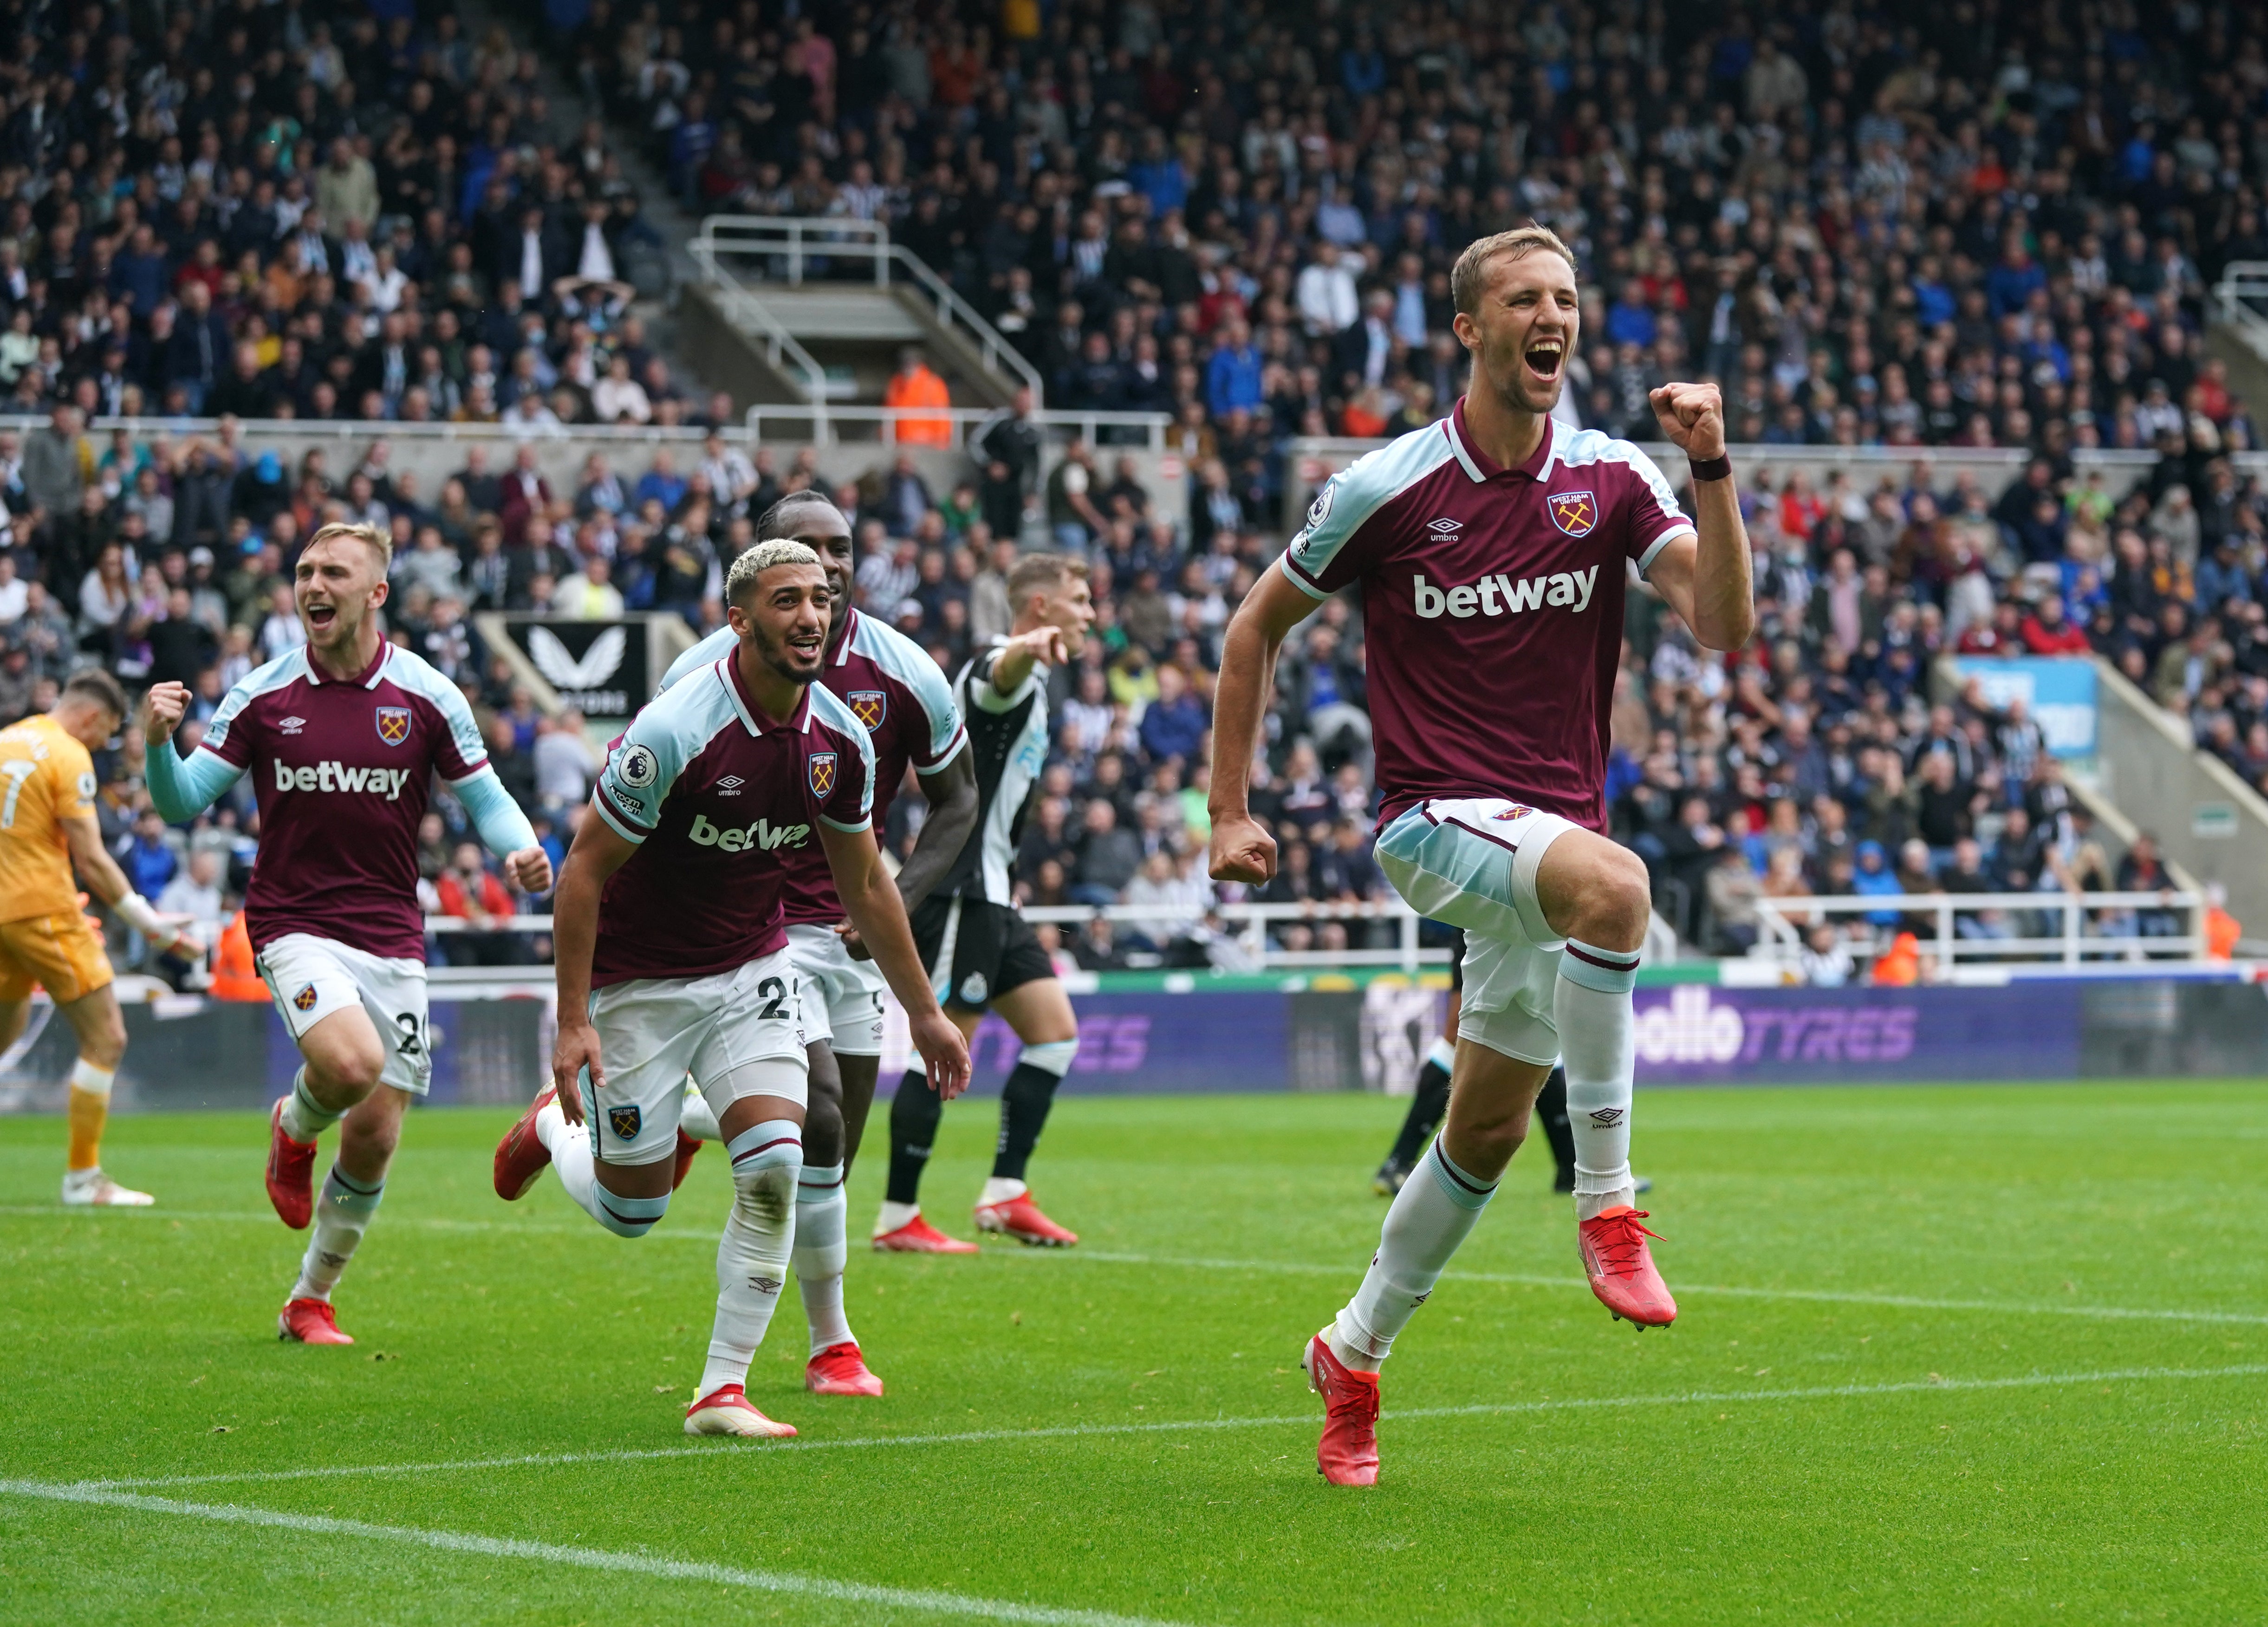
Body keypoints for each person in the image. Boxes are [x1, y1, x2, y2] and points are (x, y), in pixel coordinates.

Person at [1208, 226, 1755, 1485]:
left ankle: (1351, 1354)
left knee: (1485, 1136)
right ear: (1469, 328)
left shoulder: (1612, 477)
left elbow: (1723, 624)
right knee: (1619, 888)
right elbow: (1254, 630)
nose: (1548, 316)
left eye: (1565, 297)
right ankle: (1610, 1203)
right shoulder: (1387, 487)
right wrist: (1226, 811)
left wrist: (1712, 465)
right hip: (1434, 823)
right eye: (1522, 298)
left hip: (1541, 844)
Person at [489, 540, 970, 1438]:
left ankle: (721, 1388)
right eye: (786, 599)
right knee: (633, 1211)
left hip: (755, 966)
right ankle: (554, 1125)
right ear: (739, 618)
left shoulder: (842, 737)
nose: (811, 616)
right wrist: (570, 1023)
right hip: (640, 985)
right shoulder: (677, 727)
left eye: (822, 599)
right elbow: (583, 874)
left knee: (778, 1164)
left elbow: (866, 882)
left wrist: (927, 1011)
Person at [143, 522, 554, 1346]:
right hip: (294, 918)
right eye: (303, 571)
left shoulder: (429, 695)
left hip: (393, 930)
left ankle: (310, 1297)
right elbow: (183, 800)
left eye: (334, 571)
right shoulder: (262, 694)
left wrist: (520, 846)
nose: (312, 585)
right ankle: (293, 1128)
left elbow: (486, 797)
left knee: (374, 1133)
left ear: (377, 593)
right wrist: (156, 742)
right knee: (351, 1064)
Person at [652, 491, 980, 1395]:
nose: (829, 568)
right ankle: (829, 1343)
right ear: (757, 568)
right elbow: (652, 800)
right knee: (821, 1110)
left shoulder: (901, 669)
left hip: (853, 935)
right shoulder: (699, 672)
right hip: (749, 927)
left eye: (840, 550)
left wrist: (894, 904)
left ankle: (691, 1120)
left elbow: (958, 800)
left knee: (834, 1148)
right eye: (805, 551)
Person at [877, 553, 1094, 1251]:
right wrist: (1023, 653)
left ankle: (1004, 1192)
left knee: (1055, 1035)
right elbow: (995, 683)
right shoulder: (999, 667)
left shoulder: (1028, 671)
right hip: (963, 893)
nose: (1090, 613)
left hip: (997, 896)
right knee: (939, 1047)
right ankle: (897, 1215)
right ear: (1038, 608)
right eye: (1080, 601)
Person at [0, 670, 202, 1207]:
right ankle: (83, 1179)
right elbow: (90, 857)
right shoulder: (68, 755)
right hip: (43, 910)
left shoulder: (8, 740)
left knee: (4, 1033)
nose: (103, 745)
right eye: (107, 733)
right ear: (92, 718)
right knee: (107, 1037)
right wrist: (148, 923)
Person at [1372, 931, 1645, 1199]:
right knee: (1460, 1033)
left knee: (1542, 1026)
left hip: (1528, 919)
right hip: (1500, 916)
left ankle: (1573, 1168)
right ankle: (1399, 1161)